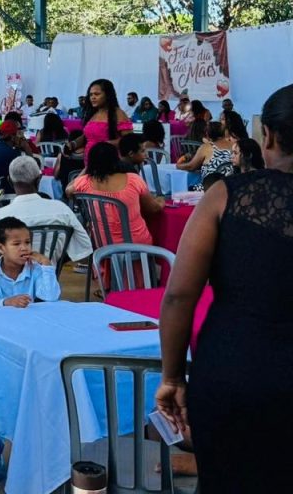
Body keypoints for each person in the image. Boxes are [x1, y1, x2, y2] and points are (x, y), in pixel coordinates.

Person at [156, 84, 293, 492]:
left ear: (266, 136)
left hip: (234, 372)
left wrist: (173, 376)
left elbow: (180, 296)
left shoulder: (225, 196)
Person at [0, 157, 91, 270]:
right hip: (48, 279)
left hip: (11, 283)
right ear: (39, 179)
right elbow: (84, 249)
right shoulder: (62, 210)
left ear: (10, 181)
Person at [67, 142, 162, 246]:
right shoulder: (133, 179)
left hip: (102, 244)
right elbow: (152, 209)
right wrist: (161, 200)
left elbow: (68, 190)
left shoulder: (85, 181)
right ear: (117, 159)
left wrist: (87, 169)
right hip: (137, 244)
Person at [0, 217, 61, 307]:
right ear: (1, 248)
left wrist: (46, 263)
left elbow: (51, 297)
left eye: (27, 242)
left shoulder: (34, 268)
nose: (24, 248)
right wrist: (9, 302)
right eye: (16, 244)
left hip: (25, 319)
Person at [65, 79, 132, 165]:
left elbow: (129, 140)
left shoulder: (118, 114)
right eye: (91, 94)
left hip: (110, 163)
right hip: (90, 163)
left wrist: (102, 144)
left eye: (97, 94)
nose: (93, 97)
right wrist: (72, 144)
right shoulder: (93, 113)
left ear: (108, 95)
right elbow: (87, 136)